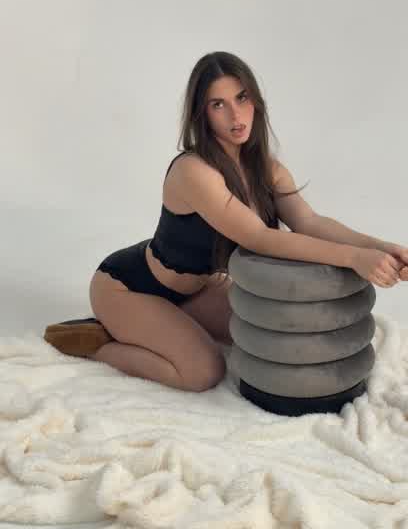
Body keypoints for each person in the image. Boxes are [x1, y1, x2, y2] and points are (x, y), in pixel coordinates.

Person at [45, 51, 408, 391]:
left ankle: (162, 327)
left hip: (197, 290)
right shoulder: (193, 171)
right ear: (201, 114)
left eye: (242, 98)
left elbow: (309, 222)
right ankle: (101, 342)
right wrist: (353, 258)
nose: (236, 116)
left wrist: (382, 248)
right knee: (202, 372)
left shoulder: (267, 169)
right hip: (130, 288)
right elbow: (258, 238)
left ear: (256, 101)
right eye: (218, 104)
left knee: (264, 333)